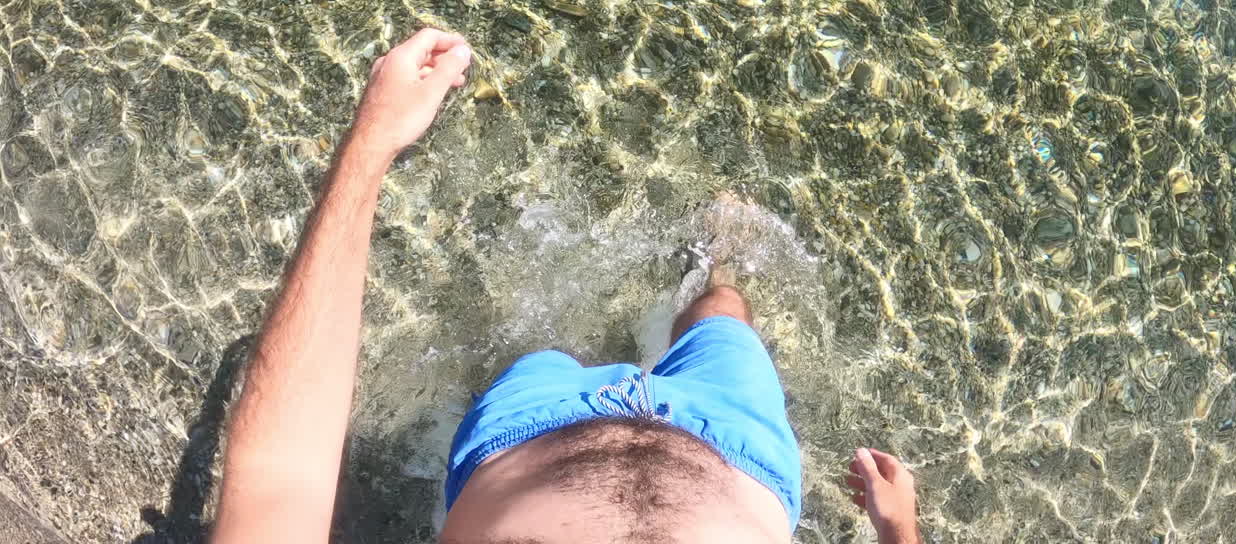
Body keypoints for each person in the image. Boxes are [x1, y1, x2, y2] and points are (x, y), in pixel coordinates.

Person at [207, 28, 921, 544]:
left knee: (540, 353)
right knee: (723, 311)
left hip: (524, 437)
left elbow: (279, 484)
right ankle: (716, 259)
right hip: (738, 445)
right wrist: (900, 532)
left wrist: (373, 141)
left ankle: (574, 347)